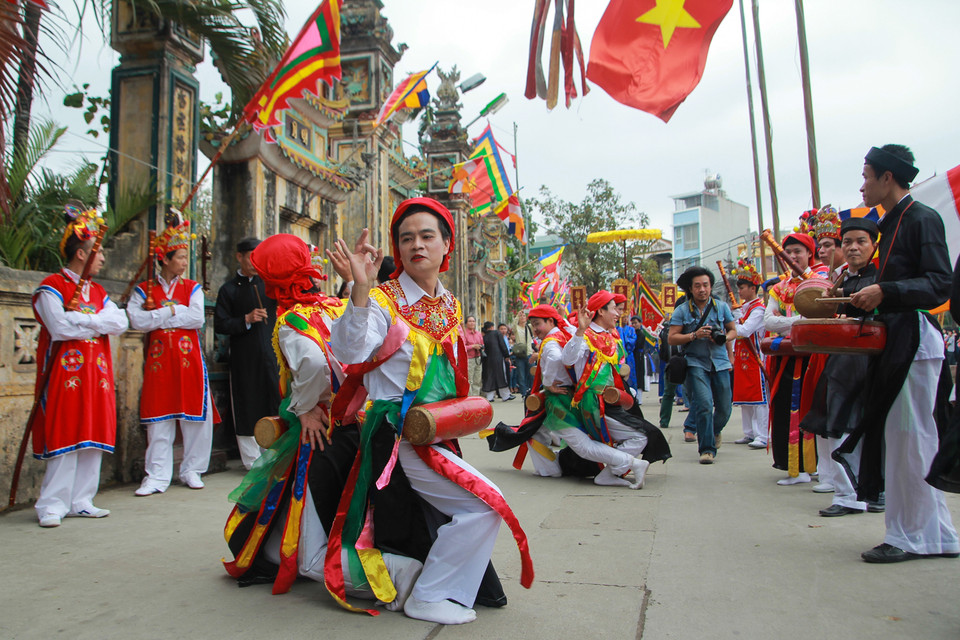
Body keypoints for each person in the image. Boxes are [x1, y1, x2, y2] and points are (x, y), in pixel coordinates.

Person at [329, 197, 532, 624]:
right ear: (397, 249)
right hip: (398, 436)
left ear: (446, 245)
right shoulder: (383, 300)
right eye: (406, 238)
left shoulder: (450, 304)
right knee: (485, 505)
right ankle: (429, 595)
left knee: (473, 508)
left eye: (426, 236)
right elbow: (350, 350)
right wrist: (360, 290)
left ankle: (439, 587)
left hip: (437, 431)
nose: (416, 245)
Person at [223, 233, 428, 610]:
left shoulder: (291, 321)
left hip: (321, 438)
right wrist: (356, 282)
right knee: (327, 516)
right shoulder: (335, 306)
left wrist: (303, 407)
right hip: (356, 429)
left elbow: (315, 364)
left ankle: (400, 573)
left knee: (309, 556)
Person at [836, 144, 958, 562]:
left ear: (889, 178)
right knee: (907, 438)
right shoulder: (891, 224)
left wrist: (886, 291)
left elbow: (940, 284)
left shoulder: (921, 218)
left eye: (867, 175)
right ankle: (936, 533)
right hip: (896, 340)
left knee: (912, 440)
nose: (863, 184)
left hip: (914, 342)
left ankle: (911, 536)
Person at [30, 205, 129, 527]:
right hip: (64, 374)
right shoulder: (51, 287)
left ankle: (82, 499)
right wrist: (97, 321)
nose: (102, 259)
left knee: (93, 433)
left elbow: (120, 321)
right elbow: (59, 327)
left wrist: (84, 319)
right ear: (82, 253)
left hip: (97, 375)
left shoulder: (98, 291)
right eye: (97, 253)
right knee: (65, 432)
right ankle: (52, 504)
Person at [128, 214, 220, 495]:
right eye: (179, 257)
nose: (183, 261)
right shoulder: (144, 289)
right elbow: (136, 321)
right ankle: (156, 476)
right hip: (158, 363)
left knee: (195, 418)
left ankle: (192, 469)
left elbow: (195, 319)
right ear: (165, 259)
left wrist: (155, 316)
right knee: (159, 418)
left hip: (188, 360)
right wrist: (170, 311)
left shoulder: (191, 288)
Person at [801, 217, 880, 517]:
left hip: (872, 361)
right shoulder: (841, 278)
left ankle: (870, 491)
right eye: (847, 242)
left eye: (861, 241)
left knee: (868, 427)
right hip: (843, 361)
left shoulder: (881, 277)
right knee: (836, 424)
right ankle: (848, 495)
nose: (854, 247)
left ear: (873, 246)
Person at [561, 292, 671, 485]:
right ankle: (614, 471)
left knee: (644, 434)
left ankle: (610, 473)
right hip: (594, 402)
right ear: (601, 311)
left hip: (612, 399)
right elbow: (568, 360)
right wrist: (580, 330)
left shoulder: (610, 336)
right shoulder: (585, 335)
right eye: (613, 309)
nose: (618, 313)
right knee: (642, 435)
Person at [763, 229, 829, 484]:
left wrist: (787, 322)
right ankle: (794, 466)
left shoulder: (820, 281)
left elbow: (820, 317)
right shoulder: (779, 288)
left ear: (810, 254)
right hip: (786, 356)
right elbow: (768, 319)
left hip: (813, 356)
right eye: (788, 252)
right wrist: (799, 321)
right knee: (784, 408)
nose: (792, 256)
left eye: (798, 252)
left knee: (810, 407)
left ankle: (814, 465)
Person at [214, 237, 281, 470]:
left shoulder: (271, 286)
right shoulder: (228, 290)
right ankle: (252, 461)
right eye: (249, 256)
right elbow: (221, 324)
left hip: (272, 355)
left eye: (258, 256)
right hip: (244, 357)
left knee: (274, 398)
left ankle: (274, 455)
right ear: (239, 257)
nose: (254, 261)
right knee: (247, 402)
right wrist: (246, 319)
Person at [668, 267, 736, 464]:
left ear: (710, 286)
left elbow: (733, 330)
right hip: (695, 362)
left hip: (720, 362)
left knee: (724, 407)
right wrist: (693, 335)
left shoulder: (721, 307)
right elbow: (672, 338)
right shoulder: (682, 310)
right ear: (690, 289)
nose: (702, 290)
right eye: (697, 286)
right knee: (704, 404)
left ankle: (714, 431)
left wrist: (724, 341)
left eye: (705, 285)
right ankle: (707, 449)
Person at [729, 260, 768, 449]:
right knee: (745, 398)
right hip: (742, 356)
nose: (740, 291)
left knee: (759, 398)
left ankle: (762, 435)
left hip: (755, 357)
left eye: (743, 287)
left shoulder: (759, 309)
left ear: (753, 288)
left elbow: (744, 331)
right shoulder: (743, 308)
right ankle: (749, 433)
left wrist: (735, 318)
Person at [482, 321, 513, 401]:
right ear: (492, 327)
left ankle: (490, 396)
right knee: (501, 375)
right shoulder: (497, 333)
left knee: (489, 376)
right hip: (498, 358)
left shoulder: (484, 337)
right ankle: (505, 395)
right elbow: (502, 345)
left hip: (488, 360)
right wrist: (506, 355)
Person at [510, 311, 534, 396]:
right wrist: (517, 316)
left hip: (529, 353)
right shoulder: (516, 328)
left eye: (524, 316)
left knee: (532, 374)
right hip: (520, 354)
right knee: (521, 375)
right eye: (521, 316)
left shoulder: (529, 327)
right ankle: (524, 393)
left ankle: (532, 392)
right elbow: (513, 325)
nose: (523, 317)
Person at [461, 315, 484, 395]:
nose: (472, 323)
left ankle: (476, 397)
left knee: (477, 380)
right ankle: (470, 398)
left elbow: (482, 344)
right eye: (470, 321)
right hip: (469, 359)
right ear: (466, 323)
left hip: (478, 358)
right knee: (469, 379)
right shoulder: (464, 333)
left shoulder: (478, 333)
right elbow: (462, 347)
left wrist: (480, 347)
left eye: (473, 321)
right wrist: (473, 346)